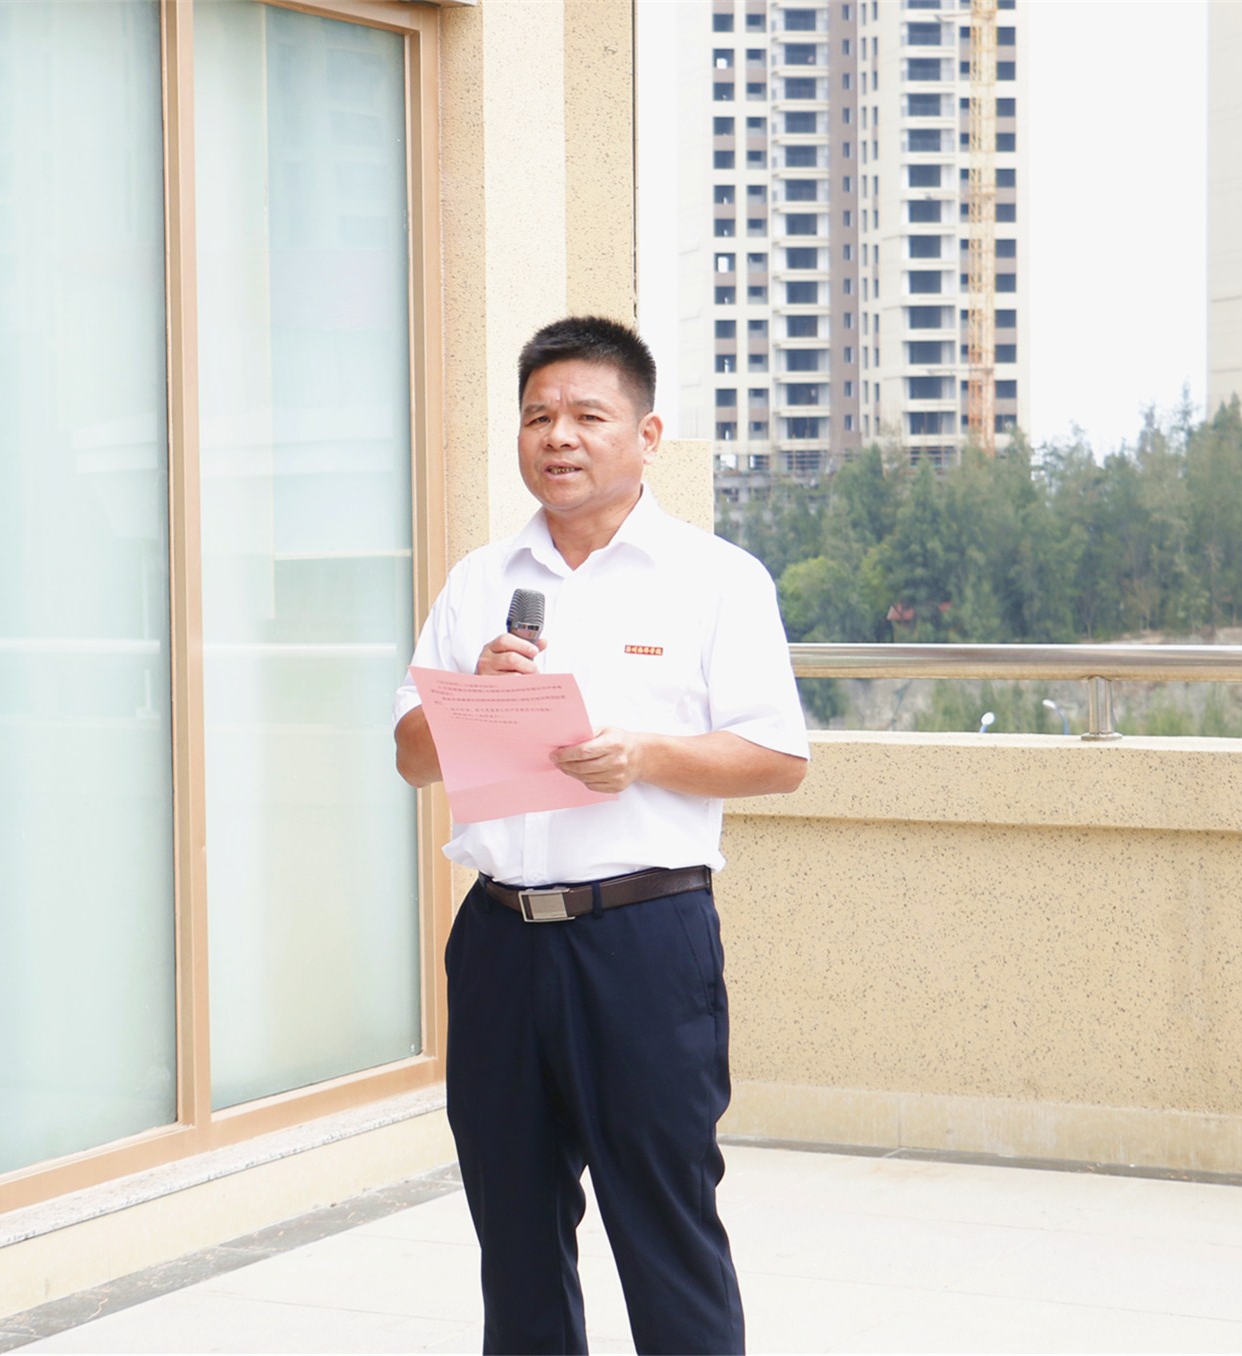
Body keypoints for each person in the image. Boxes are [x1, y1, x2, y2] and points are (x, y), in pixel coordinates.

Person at [393, 315, 808, 1355]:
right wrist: (470, 696)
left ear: (647, 434)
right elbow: (409, 756)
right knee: (514, 1235)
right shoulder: (479, 580)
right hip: (498, 941)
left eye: (587, 415)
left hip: (642, 940)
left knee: (664, 1227)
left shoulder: (715, 578)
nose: (558, 437)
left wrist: (645, 756)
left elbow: (777, 757)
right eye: (538, 416)